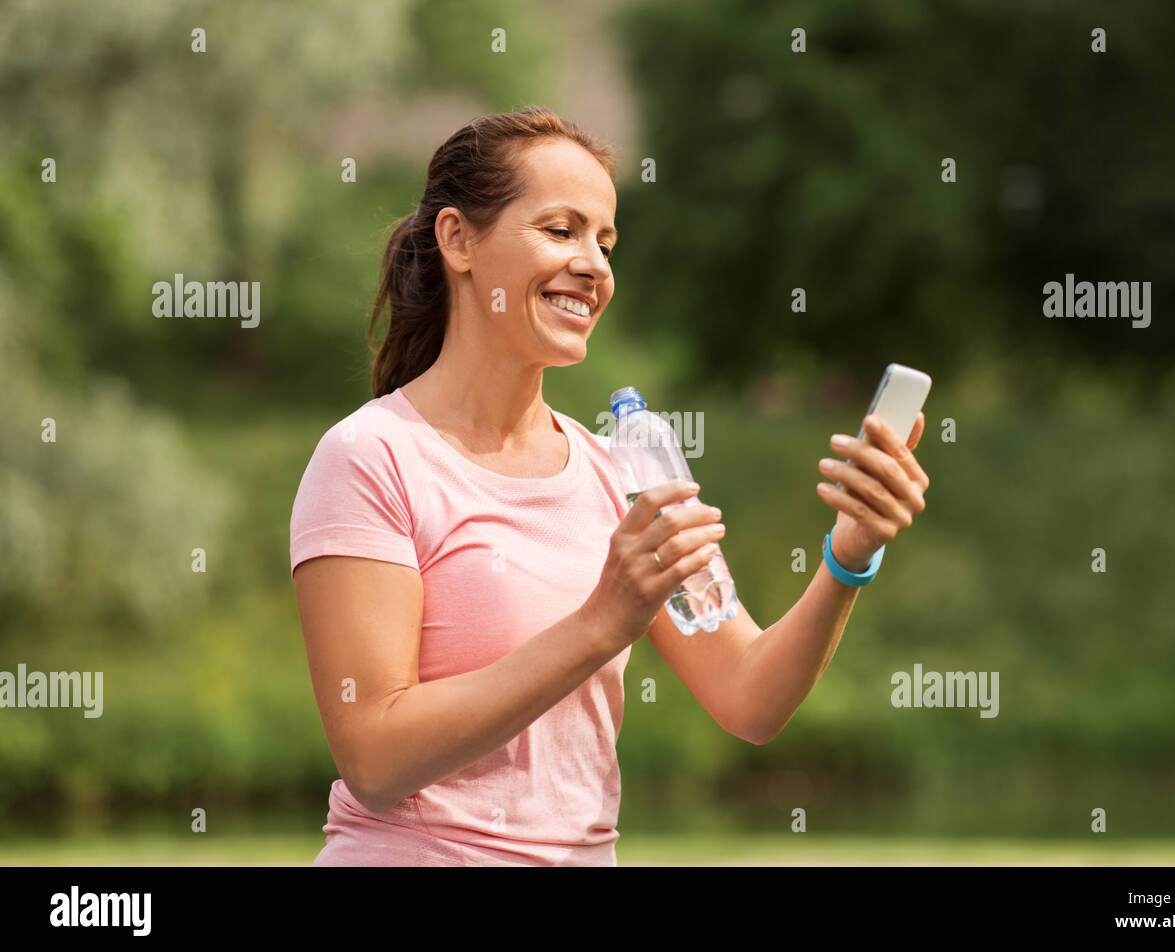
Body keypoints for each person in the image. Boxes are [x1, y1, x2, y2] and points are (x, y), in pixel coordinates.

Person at [288, 105, 930, 866]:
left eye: (605, 240)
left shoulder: (621, 471)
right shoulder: (370, 457)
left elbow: (749, 697)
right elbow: (374, 755)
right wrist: (604, 618)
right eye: (561, 231)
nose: (594, 265)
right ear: (458, 240)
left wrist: (847, 558)